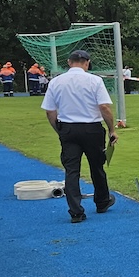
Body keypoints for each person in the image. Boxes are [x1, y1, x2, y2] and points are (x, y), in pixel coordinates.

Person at [40, 49, 118, 223]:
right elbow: (104, 107)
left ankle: (76, 212)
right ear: (87, 63)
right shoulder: (95, 80)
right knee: (97, 167)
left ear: (69, 62)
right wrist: (112, 129)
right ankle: (102, 201)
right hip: (92, 129)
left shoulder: (56, 81)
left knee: (72, 170)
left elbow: (50, 111)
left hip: (68, 128)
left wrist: (59, 130)